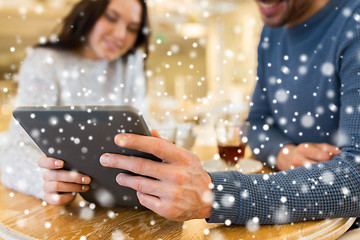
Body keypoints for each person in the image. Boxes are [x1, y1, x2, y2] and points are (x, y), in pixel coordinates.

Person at [92, 0, 359, 225]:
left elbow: (356, 178)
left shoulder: (353, 23)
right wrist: (283, 152)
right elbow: (256, 124)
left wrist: (216, 194)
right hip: (292, 216)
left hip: (343, 225)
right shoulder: (271, 33)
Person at [0, 0, 150, 204]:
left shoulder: (129, 64)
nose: (121, 35)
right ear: (88, 14)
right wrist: (43, 180)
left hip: (122, 196)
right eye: (111, 18)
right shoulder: (45, 62)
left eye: (132, 28)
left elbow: (141, 136)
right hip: (68, 201)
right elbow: (13, 153)